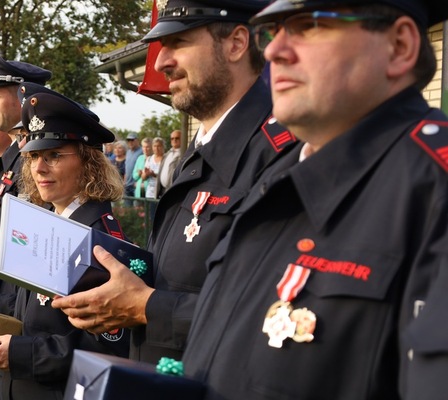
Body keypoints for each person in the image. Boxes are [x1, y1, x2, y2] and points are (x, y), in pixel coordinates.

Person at [172, 1, 448, 398]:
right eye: (274, 30)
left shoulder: (432, 193)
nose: (273, 51)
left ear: (399, 46)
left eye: (308, 26)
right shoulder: (277, 178)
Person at [51, 0, 297, 365]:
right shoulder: (202, 151)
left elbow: (280, 315)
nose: (161, 62)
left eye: (178, 42)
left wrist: (148, 306)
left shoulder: (282, 156)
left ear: (236, 43)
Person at [0, 91, 128, 399]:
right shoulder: (52, 225)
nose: (39, 168)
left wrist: (22, 353)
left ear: (89, 163)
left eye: (54, 156)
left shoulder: (99, 242)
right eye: (33, 156)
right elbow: (41, 311)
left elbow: (104, 348)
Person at [157, 130, 183, 196]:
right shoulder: (167, 154)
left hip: (174, 191)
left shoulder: (184, 154)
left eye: (177, 138)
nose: (174, 140)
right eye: (172, 138)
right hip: (163, 191)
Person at [123, 132, 142, 201]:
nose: (130, 142)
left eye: (132, 140)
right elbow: (126, 169)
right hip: (127, 186)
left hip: (136, 186)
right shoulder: (128, 152)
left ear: (137, 140)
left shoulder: (142, 151)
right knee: (128, 211)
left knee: (138, 210)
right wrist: (124, 183)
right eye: (128, 140)